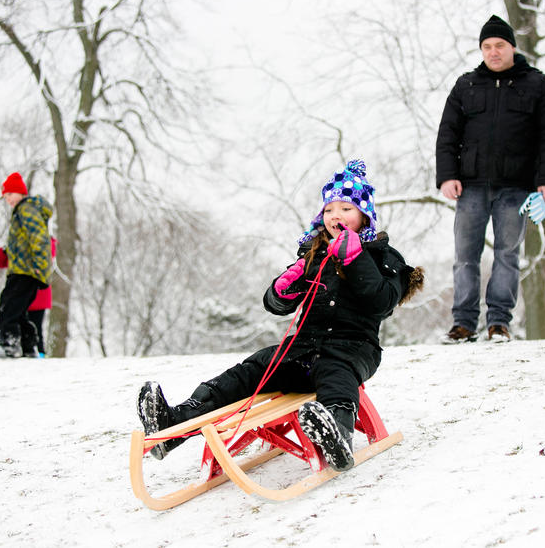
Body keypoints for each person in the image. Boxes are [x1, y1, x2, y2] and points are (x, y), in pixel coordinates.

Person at [137, 159, 423, 471]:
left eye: (346, 209)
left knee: (336, 376)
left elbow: (382, 302)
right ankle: (174, 425)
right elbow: (277, 306)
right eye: (329, 210)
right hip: (301, 350)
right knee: (250, 369)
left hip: (352, 349)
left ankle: (336, 437)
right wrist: (281, 289)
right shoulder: (315, 253)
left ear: (364, 214)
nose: (335, 216)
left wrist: (356, 259)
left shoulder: (383, 256)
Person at [435, 15, 545, 343]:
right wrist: (447, 175)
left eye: (500, 46)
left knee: (508, 253)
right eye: (487, 47)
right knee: (465, 256)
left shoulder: (537, 84)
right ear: (482, 50)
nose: (493, 52)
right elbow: (447, 133)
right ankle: (463, 324)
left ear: (512, 47)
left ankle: (499, 323)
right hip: (471, 186)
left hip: (517, 187)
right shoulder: (466, 85)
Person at [0, 172, 53, 358]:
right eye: (5, 197)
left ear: (19, 192)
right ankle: (27, 345)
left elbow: (39, 238)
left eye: (9, 195)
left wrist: (40, 267)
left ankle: (10, 344)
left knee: (8, 307)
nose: (7, 200)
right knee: (18, 309)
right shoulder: (24, 211)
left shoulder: (26, 209)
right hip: (25, 270)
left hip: (26, 270)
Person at [0, 237, 56, 357]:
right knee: (17, 319)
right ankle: (23, 348)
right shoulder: (17, 244)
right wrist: (6, 249)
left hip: (37, 294)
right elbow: (0, 261)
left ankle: (38, 352)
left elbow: (49, 254)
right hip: (18, 289)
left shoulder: (42, 239)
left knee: (35, 324)